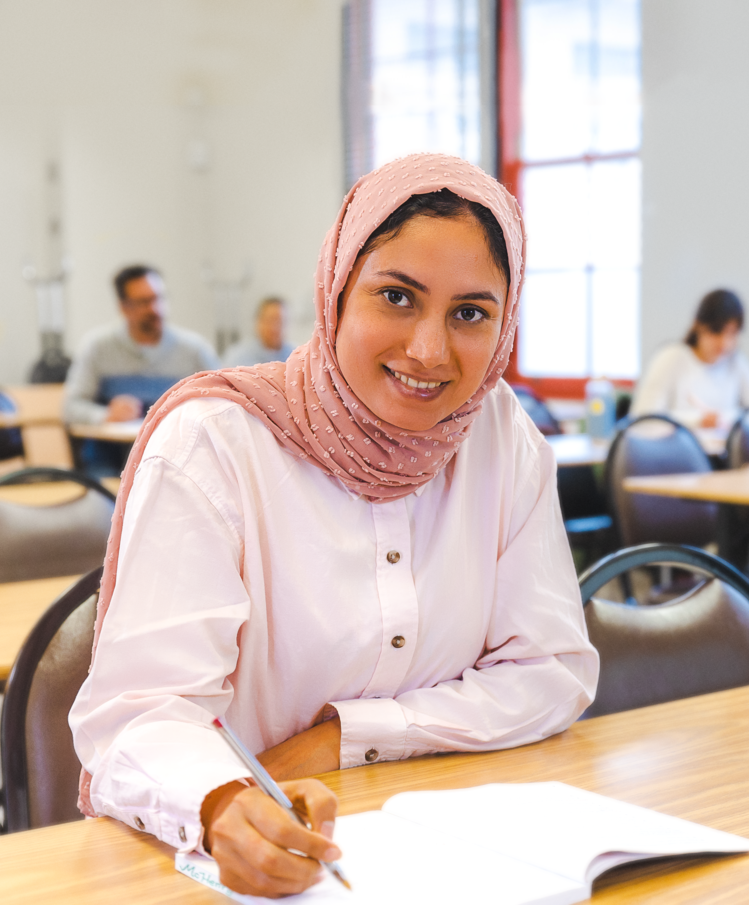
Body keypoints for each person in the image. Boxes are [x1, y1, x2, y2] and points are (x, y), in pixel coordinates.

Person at [70, 153, 599, 898]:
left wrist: (345, 737)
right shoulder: (217, 441)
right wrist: (220, 804)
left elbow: (550, 672)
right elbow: (138, 714)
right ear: (337, 289)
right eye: (396, 297)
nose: (429, 351)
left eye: (470, 313)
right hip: (234, 867)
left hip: (443, 847)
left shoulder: (500, 434)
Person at [63, 265, 219, 425]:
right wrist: (106, 415)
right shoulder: (97, 348)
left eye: (159, 298)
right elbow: (71, 407)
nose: (155, 309)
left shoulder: (195, 350)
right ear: (124, 307)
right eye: (144, 302)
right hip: (112, 440)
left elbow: (222, 403)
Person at [631, 288, 749, 429]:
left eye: (732, 333)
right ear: (698, 325)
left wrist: (726, 419)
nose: (724, 343)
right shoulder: (672, 357)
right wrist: (697, 421)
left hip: (723, 443)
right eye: (716, 331)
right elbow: (643, 420)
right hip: (678, 443)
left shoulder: (735, 362)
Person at [222, 296, 295, 367]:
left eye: (279, 321)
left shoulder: (294, 356)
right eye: (270, 320)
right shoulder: (238, 357)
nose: (274, 326)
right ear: (258, 322)